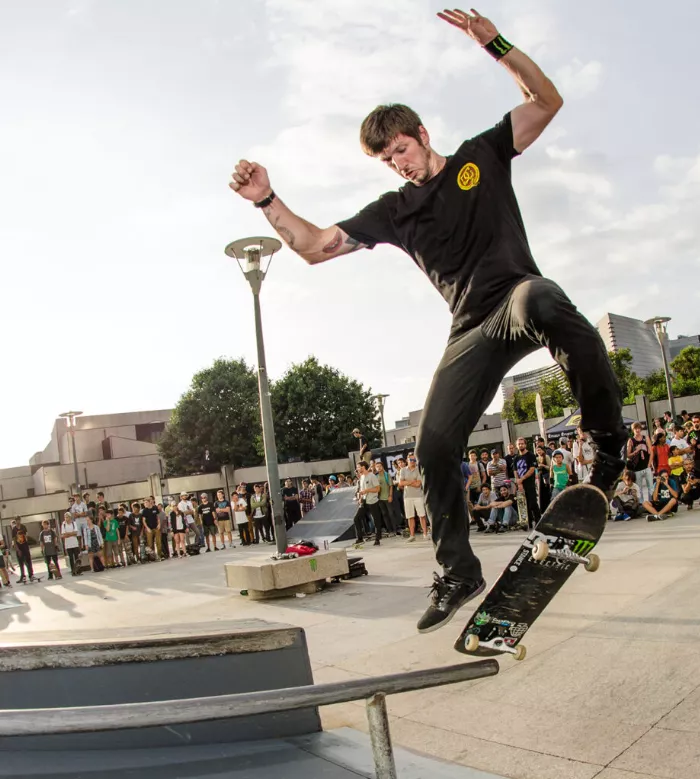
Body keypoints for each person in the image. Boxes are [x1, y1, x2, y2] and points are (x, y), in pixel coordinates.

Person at [229, 8, 627, 633]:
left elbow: (545, 99)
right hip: (471, 329)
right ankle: (457, 571)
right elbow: (312, 246)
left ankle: (608, 447)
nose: (400, 164)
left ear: (421, 132)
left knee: (546, 301)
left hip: (517, 292)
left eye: (402, 150)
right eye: (387, 160)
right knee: (433, 444)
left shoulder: (481, 156)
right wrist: (268, 202)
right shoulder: (394, 212)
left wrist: (492, 42)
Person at [399, 454, 428, 541]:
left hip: (418, 496)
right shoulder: (403, 470)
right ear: (407, 460)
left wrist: (407, 482)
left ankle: (425, 534)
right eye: (411, 460)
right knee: (410, 516)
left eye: (414, 460)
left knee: (422, 515)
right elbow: (401, 483)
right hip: (407, 496)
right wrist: (412, 481)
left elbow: (418, 484)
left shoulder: (418, 469)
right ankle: (412, 535)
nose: (413, 462)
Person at [513, 437, 539, 529]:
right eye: (519, 444)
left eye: (522, 443)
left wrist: (522, 479)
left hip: (530, 482)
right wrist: (518, 482)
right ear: (517, 446)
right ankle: (528, 522)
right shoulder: (516, 458)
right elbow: (515, 470)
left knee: (533, 503)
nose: (521, 445)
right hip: (520, 484)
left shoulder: (531, 455)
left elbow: (532, 469)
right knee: (524, 504)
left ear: (525, 444)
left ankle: (538, 520)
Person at [626, 422, 653, 503]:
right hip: (637, 467)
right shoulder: (631, 440)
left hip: (646, 465)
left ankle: (651, 502)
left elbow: (651, 452)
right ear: (633, 430)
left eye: (639, 428)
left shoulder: (645, 438)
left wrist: (649, 464)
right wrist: (636, 451)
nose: (637, 430)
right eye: (635, 429)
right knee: (639, 488)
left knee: (650, 487)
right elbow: (628, 455)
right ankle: (641, 504)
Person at [357, 461, 383, 545]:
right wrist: (360, 497)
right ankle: (360, 538)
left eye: (358, 467)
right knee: (356, 518)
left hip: (372, 501)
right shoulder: (361, 477)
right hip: (364, 501)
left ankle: (378, 538)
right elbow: (361, 489)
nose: (357, 469)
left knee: (376, 520)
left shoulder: (372, 476)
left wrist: (367, 490)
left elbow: (378, 489)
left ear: (363, 467)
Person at [375, 461, 399, 536]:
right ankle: (389, 530)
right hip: (380, 499)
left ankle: (395, 529)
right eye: (377, 466)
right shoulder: (376, 476)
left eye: (380, 466)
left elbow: (391, 486)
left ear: (382, 466)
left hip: (387, 497)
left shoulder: (386, 475)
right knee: (384, 514)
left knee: (391, 513)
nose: (379, 468)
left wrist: (390, 496)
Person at [11, 518, 34, 582]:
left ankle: (31, 575)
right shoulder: (14, 529)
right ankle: (23, 576)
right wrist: (17, 550)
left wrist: (26, 538)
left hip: (25, 547)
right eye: (16, 520)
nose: (18, 521)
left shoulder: (23, 527)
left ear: (20, 520)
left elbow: (26, 535)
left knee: (28, 562)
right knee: (21, 563)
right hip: (19, 547)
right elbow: (14, 540)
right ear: (15, 521)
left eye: (18, 520)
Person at [535, 444, 551, 514]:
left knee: (547, 491)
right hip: (540, 476)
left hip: (546, 475)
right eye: (537, 450)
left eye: (539, 450)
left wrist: (543, 465)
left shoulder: (546, 457)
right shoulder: (536, 458)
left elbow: (550, 467)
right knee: (541, 492)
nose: (538, 451)